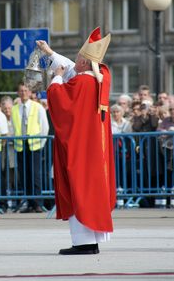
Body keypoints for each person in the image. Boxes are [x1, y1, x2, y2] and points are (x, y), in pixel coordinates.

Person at [36, 27, 116, 255]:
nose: (76, 62)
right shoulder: (97, 80)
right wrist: (49, 52)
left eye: (79, 58)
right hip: (93, 151)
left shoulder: (81, 84)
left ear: (84, 62)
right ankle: (90, 242)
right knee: (89, 191)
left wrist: (56, 78)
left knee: (80, 190)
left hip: (81, 151)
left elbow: (60, 101)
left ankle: (84, 244)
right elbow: (72, 68)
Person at [11, 83, 49, 213]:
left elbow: (45, 127)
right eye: (21, 91)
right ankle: (28, 202)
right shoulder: (15, 108)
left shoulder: (38, 107)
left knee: (35, 175)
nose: (23, 93)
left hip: (34, 145)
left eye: (25, 90)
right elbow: (13, 126)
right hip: (21, 145)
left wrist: (41, 143)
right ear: (18, 93)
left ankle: (37, 203)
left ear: (29, 92)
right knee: (24, 176)